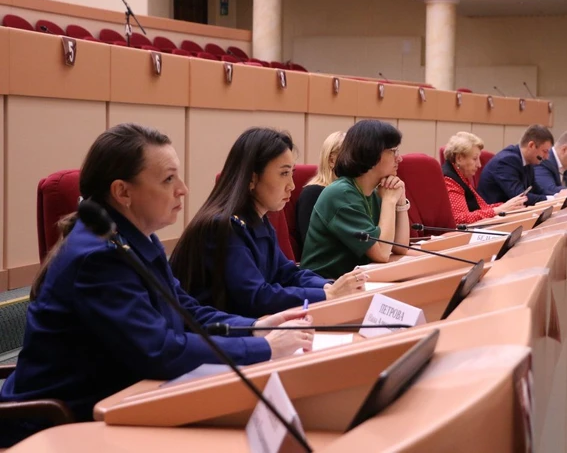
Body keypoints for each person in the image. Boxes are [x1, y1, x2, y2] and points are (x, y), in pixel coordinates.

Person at [0, 124, 312, 447]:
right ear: (122, 192)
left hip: (115, 403)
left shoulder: (135, 238)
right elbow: (159, 350)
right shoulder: (98, 258)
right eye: (168, 180)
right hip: (53, 425)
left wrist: (257, 328)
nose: (183, 189)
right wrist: (266, 348)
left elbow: (186, 310)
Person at [171, 128, 365, 319]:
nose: (292, 185)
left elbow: (287, 273)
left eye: (291, 173)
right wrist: (325, 295)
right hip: (215, 333)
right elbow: (256, 297)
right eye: (284, 173)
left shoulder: (258, 220)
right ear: (252, 178)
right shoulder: (224, 227)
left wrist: (328, 286)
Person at [301, 120, 411, 279]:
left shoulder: (376, 191)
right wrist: (389, 202)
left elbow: (400, 247)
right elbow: (382, 253)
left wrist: (400, 201)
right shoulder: (341, 194)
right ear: (372, 153)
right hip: (325, 285)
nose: (399, 158)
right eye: (393, 151)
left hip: (359, 280)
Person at [442, 132, 527, 224]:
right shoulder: (450, 180)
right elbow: (460, 219)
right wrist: (498, 210)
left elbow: (481, 207)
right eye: (475, 159)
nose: (479, 165)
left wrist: (508, 206)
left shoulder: (461, 176)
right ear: (459, 159)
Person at [477, 124, 554, 206]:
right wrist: (551, 199)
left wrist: (556, 195)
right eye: (545, 151)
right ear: (531, 145)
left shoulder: (528, 161)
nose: (547, 157)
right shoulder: (507, 160)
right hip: (493, 211)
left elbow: (536, 189)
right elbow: (520, 197)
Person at [296, 131, 345, 247]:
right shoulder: (312, 194)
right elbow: (311, 244)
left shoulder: (354, 192)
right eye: (352, 157)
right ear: (332, 160)